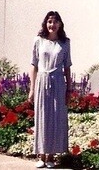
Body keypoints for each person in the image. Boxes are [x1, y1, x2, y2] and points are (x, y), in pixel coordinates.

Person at [28, 11, 72, 169]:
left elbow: (67, 67)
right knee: (42, 117)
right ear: (45, 24)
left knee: (55, 117)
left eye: (55, 22)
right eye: (49, 22)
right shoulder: (38, 41)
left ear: (60, 24)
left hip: (58, 82)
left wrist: (69, 89)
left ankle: (51, 156)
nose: (52, 25)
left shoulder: (65, 43)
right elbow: (33, 66)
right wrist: (32, 89)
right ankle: (41, 155)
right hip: (42, 81)